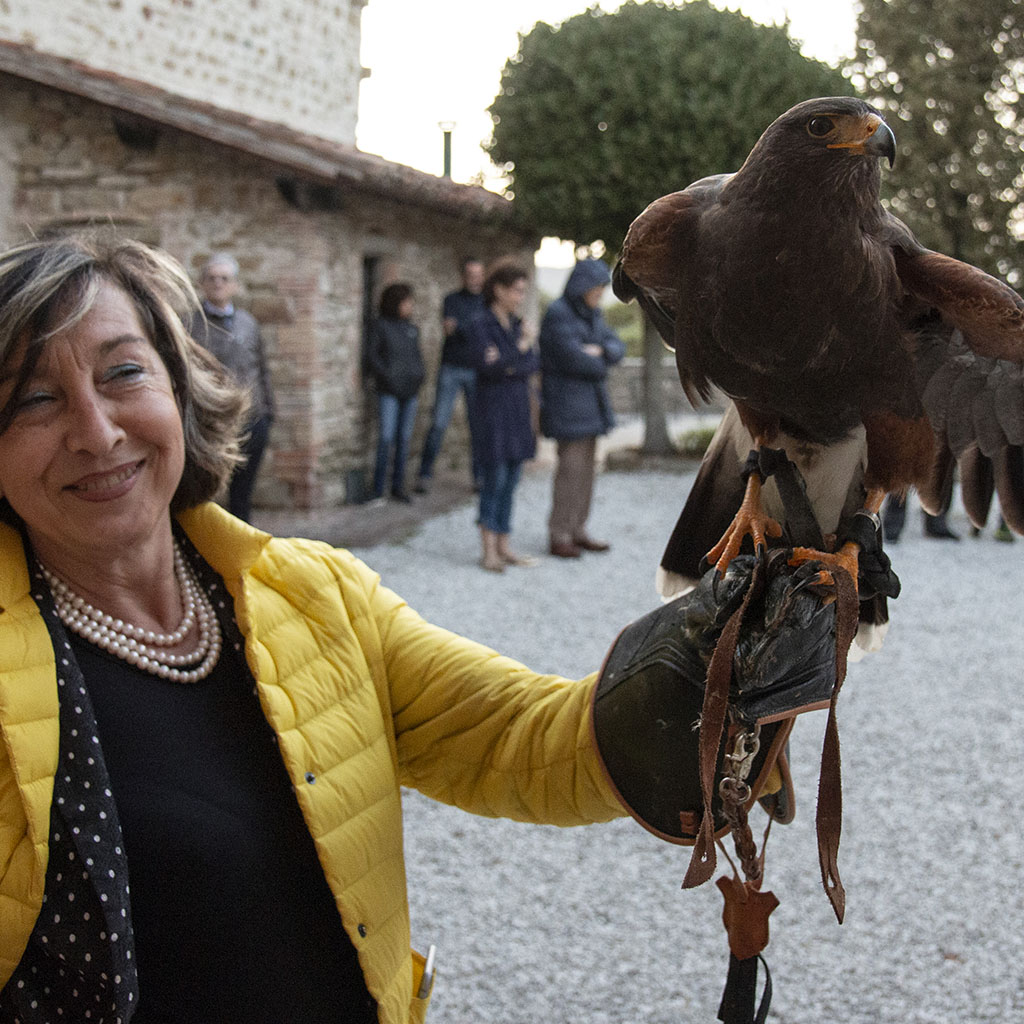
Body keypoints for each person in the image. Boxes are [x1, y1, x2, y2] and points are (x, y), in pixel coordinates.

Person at [0, 234, 627, 1024]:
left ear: (179, 388)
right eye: (32, 399)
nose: (95, 431)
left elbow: (525, 739)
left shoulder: (313, 593)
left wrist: (708, 682)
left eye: (123, 371)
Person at [539, 258, 626, 558]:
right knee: (570, 473)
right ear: (583, 287)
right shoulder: (558, 315)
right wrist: (599, 357)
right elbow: (572, 359)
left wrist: (599, 351)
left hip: (590, 408)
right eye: (597, 289)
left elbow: (617, 346)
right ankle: (559, 533)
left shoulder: (592, 315)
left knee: (587, 474)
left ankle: (578, 530)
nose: (600, 295)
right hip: (567, 408)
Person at [186, 253, 274, 523]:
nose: (218, 283)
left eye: (224, 279)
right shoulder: (189, 324)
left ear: (234, 285)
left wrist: (269, 412)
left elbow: (261, 367)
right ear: (202, 283)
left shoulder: (248, 323)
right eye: (211, 278)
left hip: (251, 419)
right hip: (208, 421)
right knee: (202, 492)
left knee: (242, 492)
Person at [467, 262, 540, 572]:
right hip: (492, 411)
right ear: (498, 289)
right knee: (494, 476)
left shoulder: (515, 323)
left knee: (512, 476)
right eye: (517, 290)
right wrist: (521, 348)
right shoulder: (480, 324)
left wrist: (512, 358)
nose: (520, 297)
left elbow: (532, 364)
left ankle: (504, 544)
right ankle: (488, 550)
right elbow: (488, 366)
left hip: (517, 409)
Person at [414, 258, 485, 494]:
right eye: (470, 274)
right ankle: (424, 474)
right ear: (463, 276)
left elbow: (478, 332)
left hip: (477, 370)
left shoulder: (486, 302)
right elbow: (451, 328)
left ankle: (479, 477)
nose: (474, 278)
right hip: (451, 368)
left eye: (478, 274)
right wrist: (471, 329)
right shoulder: (451, 300)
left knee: (478, 425)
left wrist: (463, 329)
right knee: (439, 422)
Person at [366, 282, 426, 503]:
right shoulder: (381, 326)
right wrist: (388, 377)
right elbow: (373, 357)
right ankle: (378, 488)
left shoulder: (410, 329)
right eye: (407, 302)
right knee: (386, 437)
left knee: (404, 439)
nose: (410, 306)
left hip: (409, 392)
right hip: (389, 391)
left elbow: (416, 358)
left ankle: (398, 486)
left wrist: (419, 376)